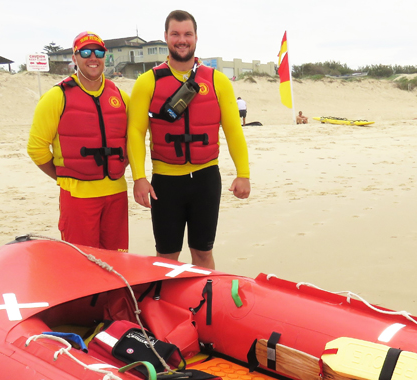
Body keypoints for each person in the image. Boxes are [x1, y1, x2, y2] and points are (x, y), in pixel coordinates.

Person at [127, 10, 250, 270]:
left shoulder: (217, 81)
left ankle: (206, 306)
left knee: (203, 253)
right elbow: (136, 132)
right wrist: (139, 177)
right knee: (167, 258)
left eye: (187, 34)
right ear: (166, 37)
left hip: (206, 180)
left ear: (195, 37)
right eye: (175, 34)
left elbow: (233, 130)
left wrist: (243, 173)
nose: (181, 40)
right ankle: (164, 306)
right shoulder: (147, 82)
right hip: (165, 183)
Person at [27, 31, 130, 251]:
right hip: (77, 196)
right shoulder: (56, 97)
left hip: (116, 195)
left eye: (98, 52)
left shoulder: (121, 97)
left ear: (105, 56)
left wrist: (120, 163)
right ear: (74, 58)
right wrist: (63, 175)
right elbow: (36, 148)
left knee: (118, 263)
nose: (92, 57)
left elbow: (134, 141)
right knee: (83, 264)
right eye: (85, 52)